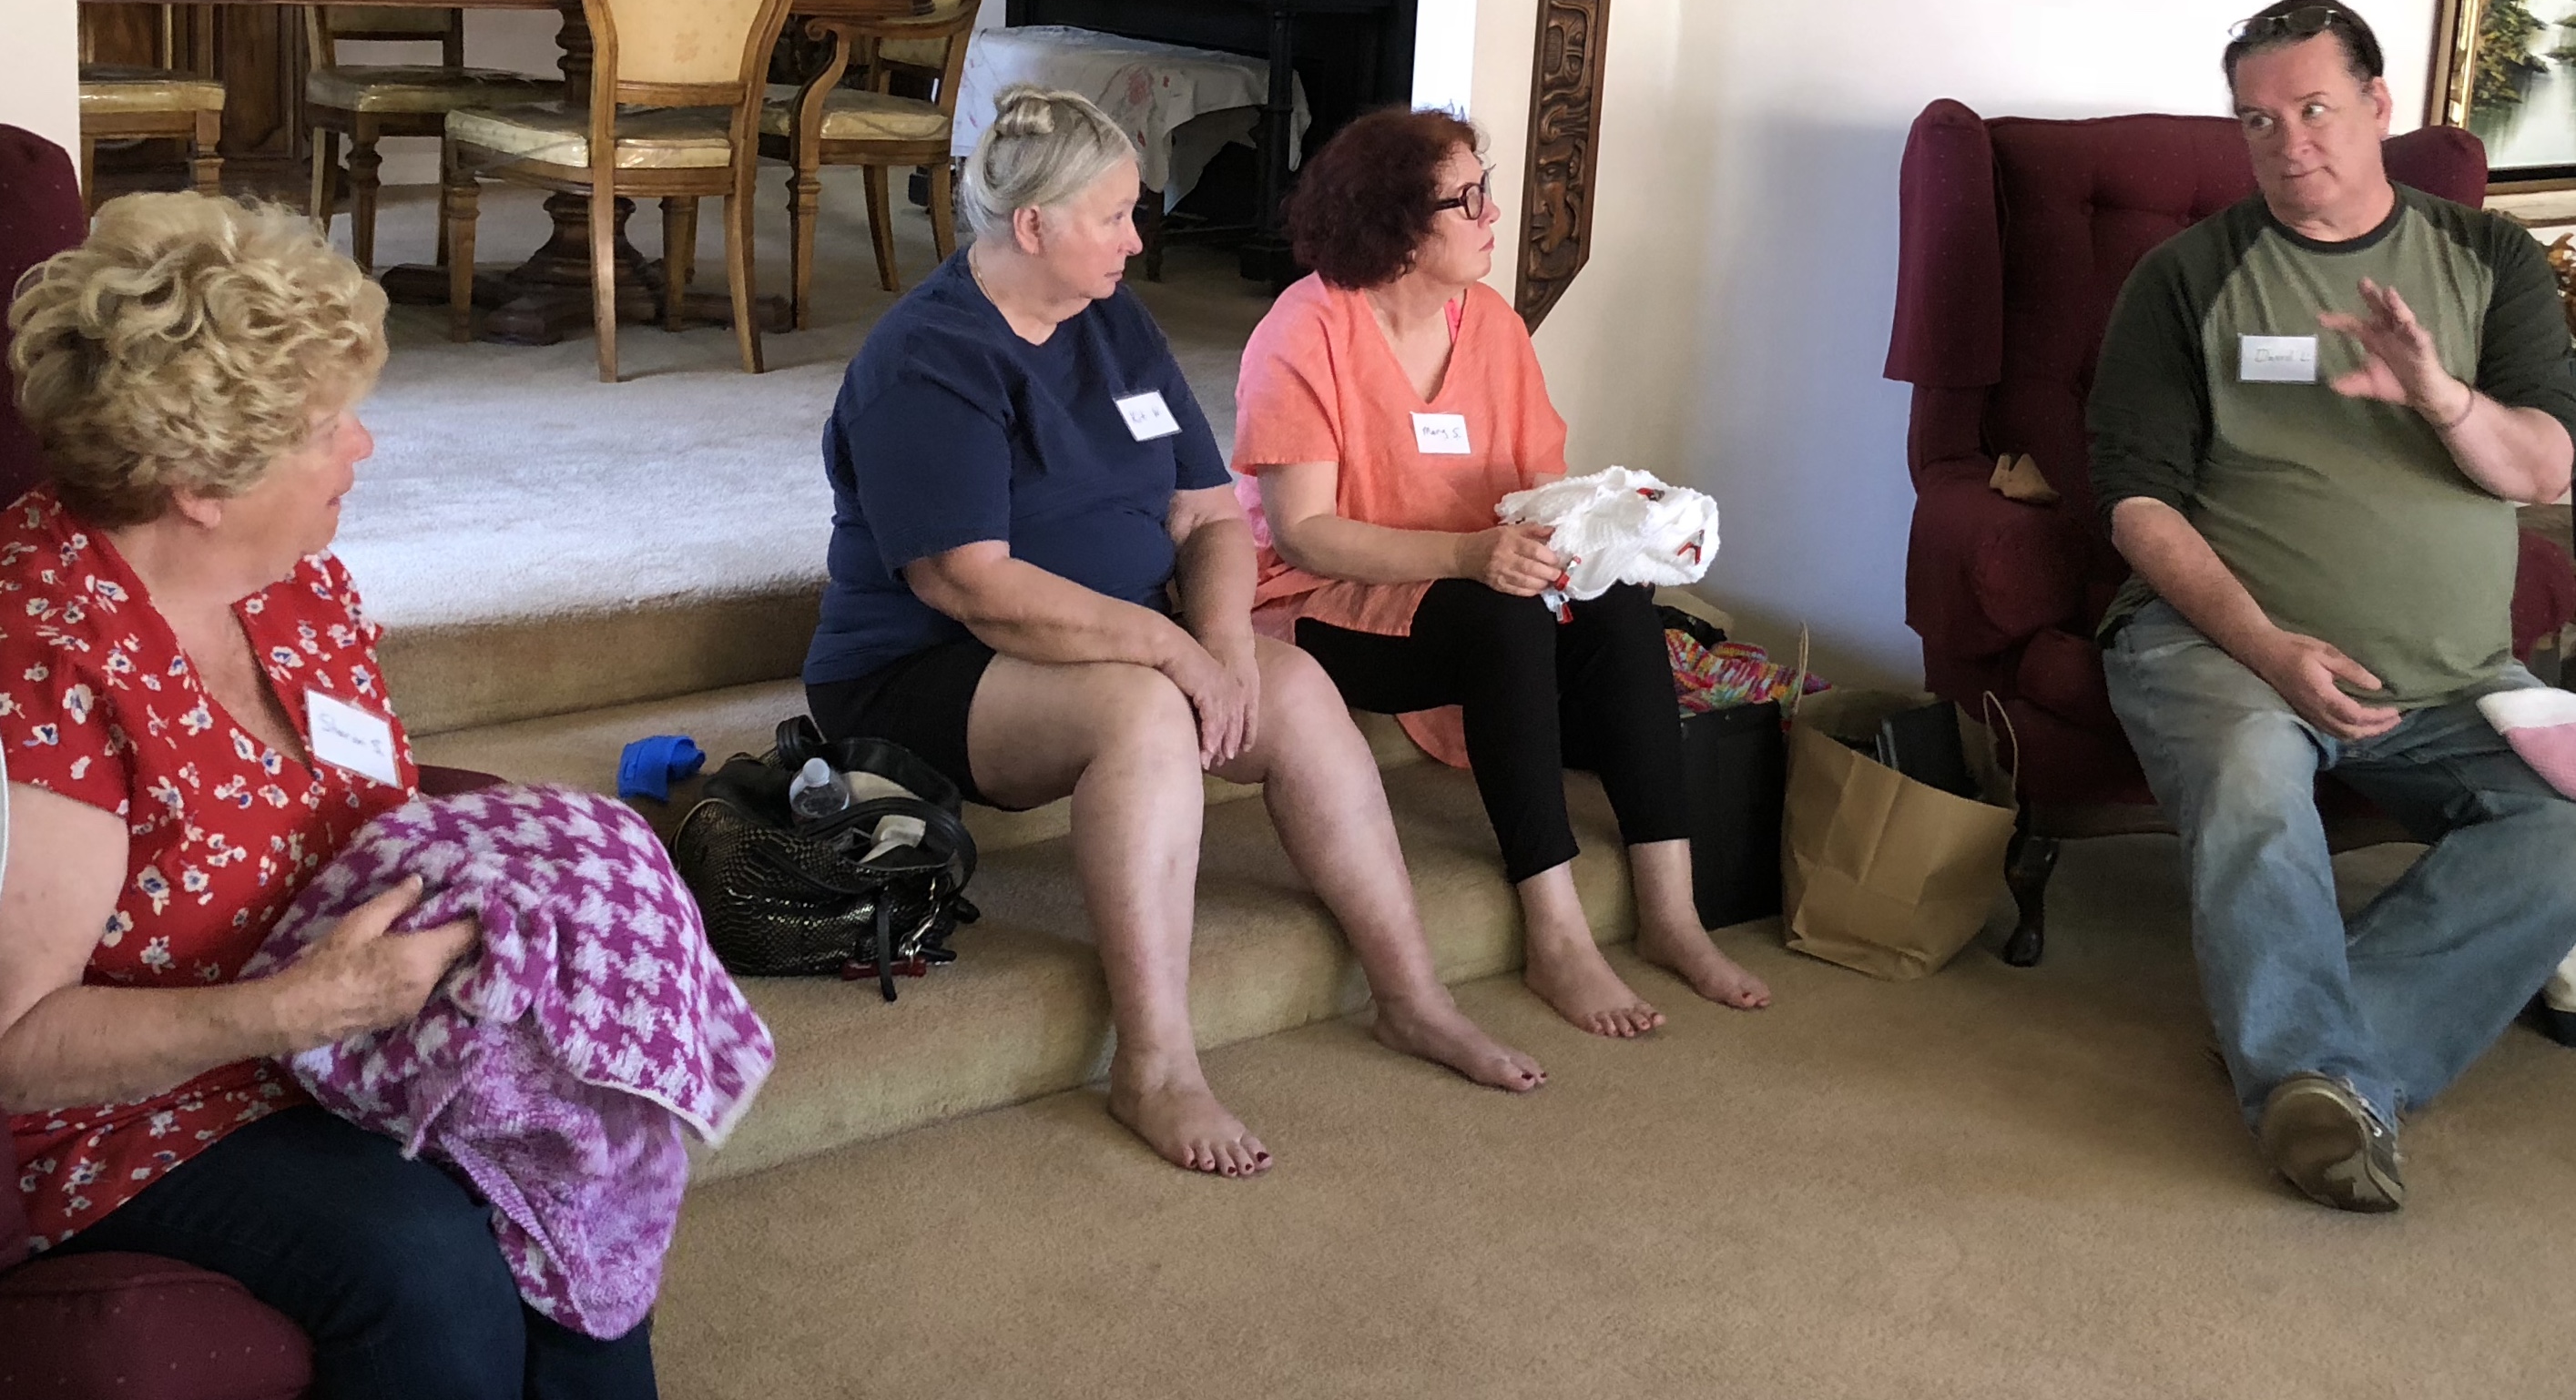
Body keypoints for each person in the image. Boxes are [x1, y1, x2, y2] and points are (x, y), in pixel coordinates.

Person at [801, 86, 1544, 1180]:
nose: (1138, 240)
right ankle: (1154, 1065)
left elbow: (1208, 516)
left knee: (1296, 689)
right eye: (1114, 217)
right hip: (924, 670)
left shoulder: (1112, 320)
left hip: (1116, 635)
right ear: (1033, 225)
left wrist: (1227, 641)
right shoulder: (930, 357)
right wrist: (1172, 650)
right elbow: (973, 585)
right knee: (1144, 709)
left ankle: (1413, 996)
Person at [0, 195, 658, 1396]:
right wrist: (295, 1010)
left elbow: (367, 811)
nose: (362, 446)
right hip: (137, 1107)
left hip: (352, 1043)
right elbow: (17, 1046)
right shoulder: (45, 658)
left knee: (577, 1165)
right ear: (199, 480)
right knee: (424, 1259)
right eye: (324, 428)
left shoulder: (292, 581)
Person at [2090, 0, 2576, 1212]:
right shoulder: (2187, 276)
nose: (2288, 142)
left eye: (2313, 109)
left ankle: (2313, 1052)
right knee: (2254, 771)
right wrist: (2266, 645)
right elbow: (2136, 505)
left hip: (2453, 674)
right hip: (2222, 646)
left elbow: (2544, 470)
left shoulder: (2488, 259)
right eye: (2257, 121)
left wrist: (2437, 395)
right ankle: (2318, 1073)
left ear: (2377, 104)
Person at [1230, 107, 1771, 1040]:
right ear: (1399, 225)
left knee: (1618, 601)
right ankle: (1555, 931)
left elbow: (1536, 490)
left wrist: (1613, 530)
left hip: (1473, 575)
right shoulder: (1305, 329)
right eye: (1467, 199)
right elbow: (1305, 534)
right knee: (1505, 617)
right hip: (1322, 597)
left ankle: (1671, 911)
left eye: (1487, 190)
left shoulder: (1489, 322)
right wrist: (1467, 557)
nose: (1493, 215)